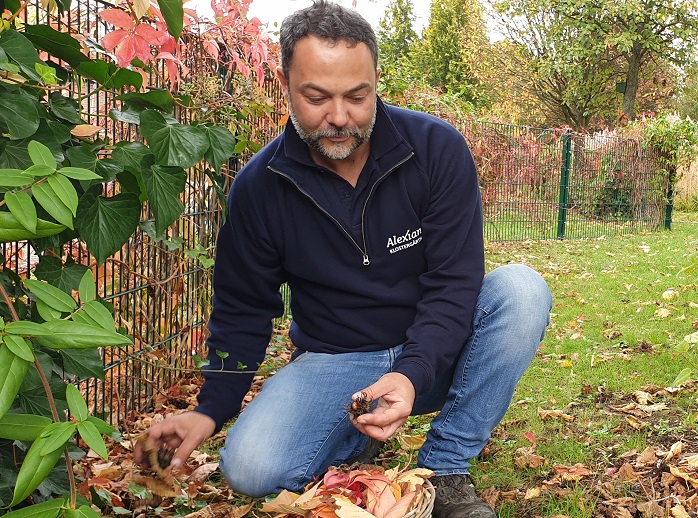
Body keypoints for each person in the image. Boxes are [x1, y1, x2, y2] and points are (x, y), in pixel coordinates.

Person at [134, 2, 552, 516]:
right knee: (248, 469)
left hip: (437, 345)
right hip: (338, 360)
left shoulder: (437, 149)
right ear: (286, 84)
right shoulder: (258, 190)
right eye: (316, 97)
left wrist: (413, 372)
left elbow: (453, 284)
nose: (338, 117)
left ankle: (445, 466)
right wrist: (210, 410)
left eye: (357, 96)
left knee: (521, 290)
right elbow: (243, 311)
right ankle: (360, 436)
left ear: (376, 79)